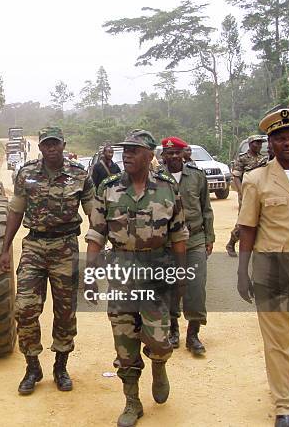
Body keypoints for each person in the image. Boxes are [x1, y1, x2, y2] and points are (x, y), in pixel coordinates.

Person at [85, 129, 188, 427]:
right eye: (124, 150)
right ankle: (132, 401)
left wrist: (182, 275)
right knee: (125, 345)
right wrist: (90, 275)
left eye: (134, 150)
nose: (126, 155)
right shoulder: (108, 188)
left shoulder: (168, 188)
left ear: (149, 155)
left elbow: (179, 233)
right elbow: (96, 233)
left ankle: (159, 364)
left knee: (159, 340)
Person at [237, 108, 289, 427]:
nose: (288, 142)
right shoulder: (256, 179)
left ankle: (283, 373)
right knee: (277, 340)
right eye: (280, 138)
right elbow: (247, 226)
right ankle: (286, 405)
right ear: (270, 142)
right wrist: (242, 272)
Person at [0, 126, 94, 395]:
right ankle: (32, 367)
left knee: (65, 311)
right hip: (34, 246)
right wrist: (5, 248)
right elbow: (16, 211)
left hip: (66, 246)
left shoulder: (79, 174)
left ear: (63, 144)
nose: (51, 148)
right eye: (46, 145)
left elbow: (94, 212)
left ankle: (61, 367)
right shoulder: (26, 173)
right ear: (40, 148)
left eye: (55, 144)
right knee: (25, 308)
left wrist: (98, 248)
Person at [160, 137, 214, 355]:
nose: (173, 156)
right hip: (166, 242)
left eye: (177, 153)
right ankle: (173, 329)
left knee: (196, 286)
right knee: (171, 287)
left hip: (194, 240)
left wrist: (209, 237)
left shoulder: (197, 176)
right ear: (162, 156)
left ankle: (193, 335)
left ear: (184, 154)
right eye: (169, 153)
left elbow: (206, 208)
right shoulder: (156, 178)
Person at [226, 135, 268, 257]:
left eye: (260, 143)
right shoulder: (242, 158)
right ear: (250, 144)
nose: (259, 145)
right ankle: (231, 242)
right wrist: (242, 192)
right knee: (245, 221)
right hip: (246, 193)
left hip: (261, 192)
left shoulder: (263, 159)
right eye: (256, 143)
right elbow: (236, 176)